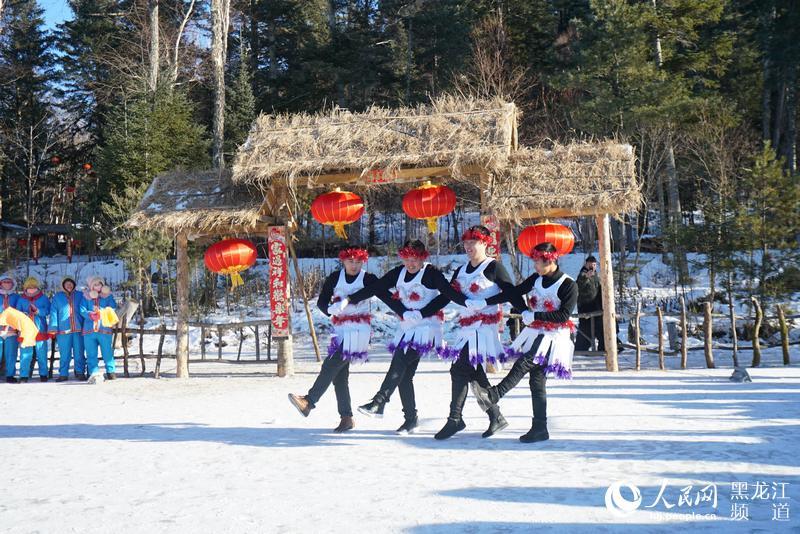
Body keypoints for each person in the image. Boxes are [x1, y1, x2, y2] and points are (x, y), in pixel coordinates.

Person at [333, 240, 468, 434]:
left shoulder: (431, 274)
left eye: (415, 259)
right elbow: (377, 288)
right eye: (407, 259)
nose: (411, 264)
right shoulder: (399, 273)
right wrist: (349, 299)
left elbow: (447, 294)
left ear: (422, 258)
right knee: (404, 376)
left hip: (427, 328)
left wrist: (464, 303)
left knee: (400, 359)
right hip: (407, 327)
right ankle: (411, 419)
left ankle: (379, 401)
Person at [288, 246, 405, 432]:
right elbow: (322, 301)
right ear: (343, 260)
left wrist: (405, 312)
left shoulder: (368, 278)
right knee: (339, 376)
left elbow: (387, 297)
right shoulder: (335, 277)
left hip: (359, 330)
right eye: (351, 261)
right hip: (340, 328)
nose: (354, 265)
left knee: (330, 365)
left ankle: (309, 401)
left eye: (358, 262)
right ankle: (346, 417)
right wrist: (329, 310)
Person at [472, 242, 578, 443]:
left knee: (525, 362)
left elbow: (564, 315)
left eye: (539, 262)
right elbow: (514, 292)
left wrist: (535, 314)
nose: (536, 267)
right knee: (536, 382)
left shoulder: (568, 284)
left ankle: (495, 394)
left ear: (551, 260)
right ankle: (540, 428)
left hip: (555, 336)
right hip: (537, 332)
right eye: (535, 262)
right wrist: (487, 302)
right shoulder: (537, 279)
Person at [434, 226, 517, 440]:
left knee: (460, 368)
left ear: (485, 243)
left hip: (484, 330)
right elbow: (449, 294)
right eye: (467, 243)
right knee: (472, 372)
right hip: (467, 329)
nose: (469, 247)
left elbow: (511, 292)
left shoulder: (493, 267)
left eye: (474, 242)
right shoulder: (461, 271)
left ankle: (455, 419)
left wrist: (487, 302)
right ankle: (495, 416)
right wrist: (423, 311)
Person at [80, 276, 117, 383]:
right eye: (95, 285)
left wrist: (102, 312)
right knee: (91, 353)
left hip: (104, 329)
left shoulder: (108, 297)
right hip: (89, 330)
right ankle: (93, 372)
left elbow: (113, 308)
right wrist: (90, 314)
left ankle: (111, 371)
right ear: (91, 286)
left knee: (107, 352)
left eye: (99, 284)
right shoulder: (85, 297)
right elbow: (82, 310)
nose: (98, 286)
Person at [15, 277, 51, 382]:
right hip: (26, 331)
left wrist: (38, 311)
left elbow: (48, 310)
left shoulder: (43, 298)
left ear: (37, 287)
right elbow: (17, 313)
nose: (31, 289)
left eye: (34, 287)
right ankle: (24, 375)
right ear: (25, 288)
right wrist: (24, 314)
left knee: (42, 353)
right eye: (29, 287)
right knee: (25, 354)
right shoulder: (21, 299)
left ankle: (43, 374)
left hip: (40, 329)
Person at [50, 277, 86, 381]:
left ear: (74, 285)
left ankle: (80, 372)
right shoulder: (57, 297)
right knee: (64, 353)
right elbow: (53, 312)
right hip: (63, 330)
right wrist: (53, 327)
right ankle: (63, 374)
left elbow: (85, 308)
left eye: (71, 284)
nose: (69, 286)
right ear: (63, 285)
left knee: (79, 352)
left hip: (78, 329)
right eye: (67, 284)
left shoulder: (80, 295)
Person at [575, 256, 604, 352]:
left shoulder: (596, 275)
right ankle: (581, 349)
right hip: (585, 307)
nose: (592, 266)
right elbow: (579, 284)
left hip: (596, 306)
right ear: (586, 264)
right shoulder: (582, 274)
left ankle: (602, 347)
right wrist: (586, 277)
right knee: (585, 329)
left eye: (594, 264)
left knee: (599, 328)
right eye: (590, 264)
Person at [1, 275, 21, 383]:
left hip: (12, 330)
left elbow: (20, 312)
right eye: (5, 282)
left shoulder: (16, 297)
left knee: (11, 353)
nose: (7, 284)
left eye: (9, 282)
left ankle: (10, 375)